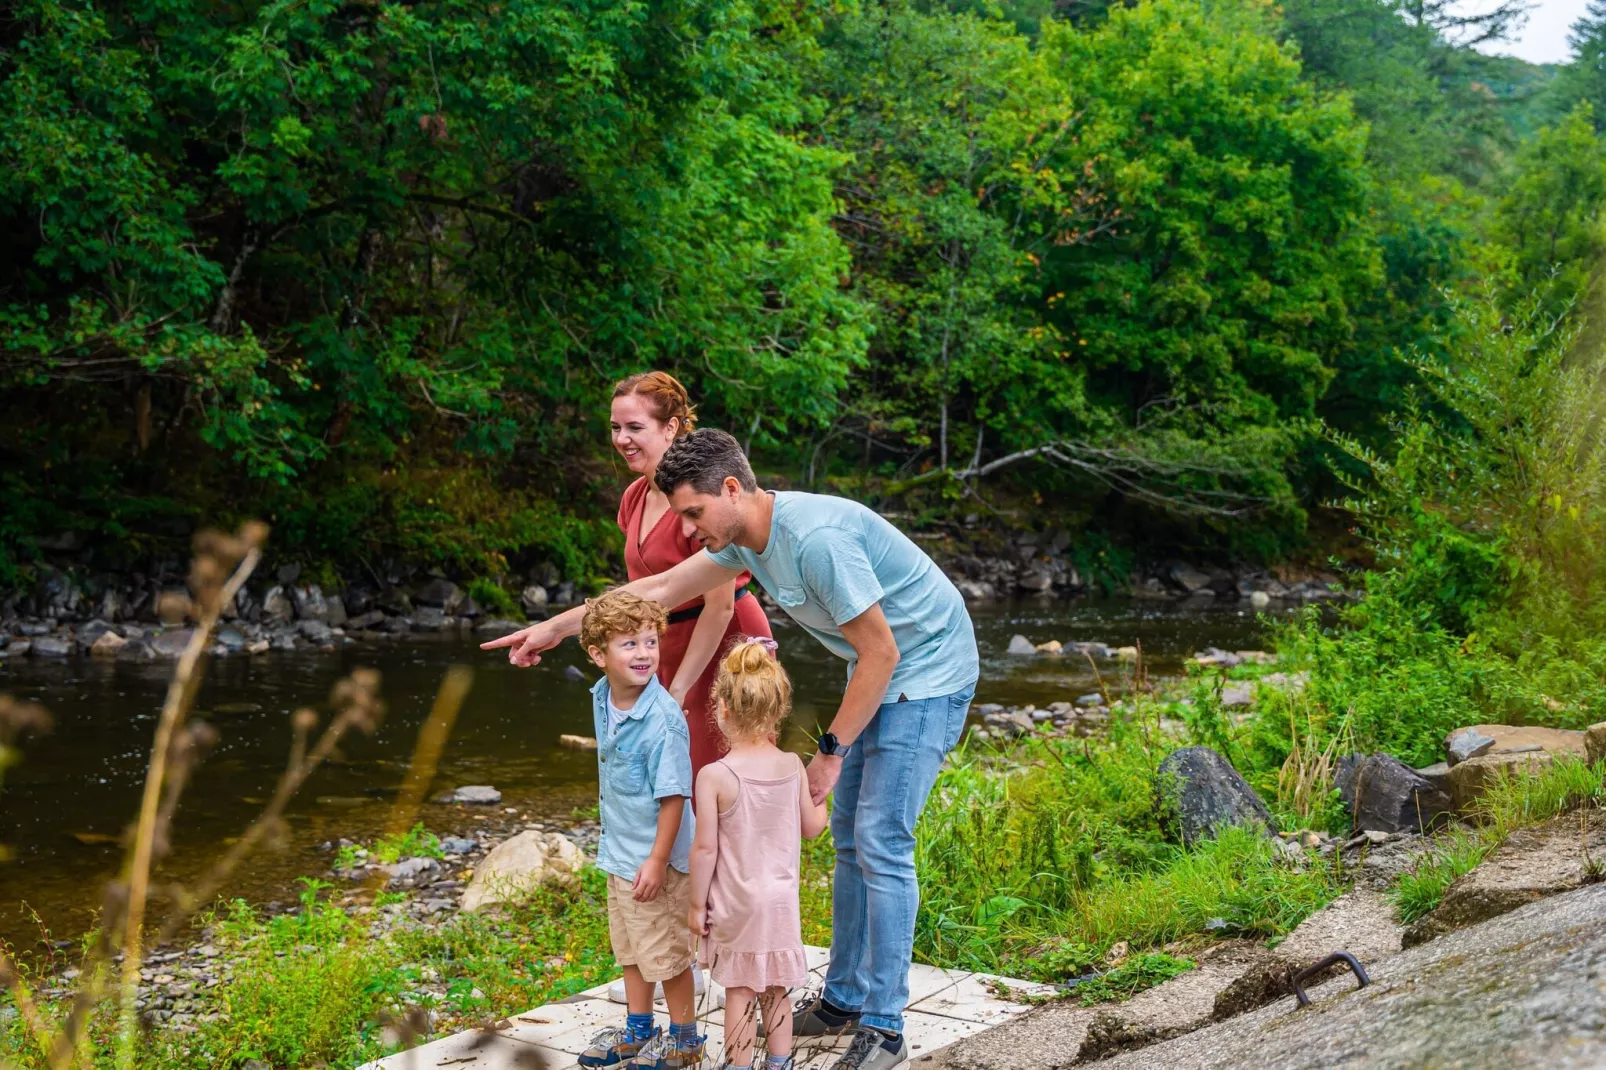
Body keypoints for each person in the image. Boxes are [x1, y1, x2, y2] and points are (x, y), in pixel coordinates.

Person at [485, 429, 980, 1070]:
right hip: (885, 670)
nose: (689, 531)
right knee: (852, 841)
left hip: (929, 672)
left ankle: (884, 1025)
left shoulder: (815, 541)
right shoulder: (745, 539)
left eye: (694, 513)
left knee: (882, 840)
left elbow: (882, 651)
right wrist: (553, 627)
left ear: (730, 489)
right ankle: (843, 1000)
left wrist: (831, 749)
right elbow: (656, 592)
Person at [609, 372, 773, 781]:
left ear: (672, 428)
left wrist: (678, 688)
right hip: (665, 643)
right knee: (665, 775)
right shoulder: (633, 496)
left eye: (634, 427)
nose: (622, 438)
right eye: (615, 427)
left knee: (717, 771)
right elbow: (645, 590)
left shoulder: (701, 501)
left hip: (723, 639)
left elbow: (717, 609)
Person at [573, 589, 705, 1070]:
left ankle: (687, 1038)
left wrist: (655, 859)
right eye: (629, 644)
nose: (644, 653)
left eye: (650, 642)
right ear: (597, 655)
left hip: (657, 860)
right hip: (620, 852)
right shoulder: (604, 696)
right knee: (630, 950)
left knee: (666, 956)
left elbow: (674, 797)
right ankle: (638, 1028)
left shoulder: (663, 722)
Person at [688, 640, 828, 1070]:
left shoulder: (715, 775)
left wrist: (696, 905)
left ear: (722, 710)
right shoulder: (790, 766)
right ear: (778, 710)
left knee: (741, 992)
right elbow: (812, 827)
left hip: (737, 906)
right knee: (777, 989)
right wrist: (823, 795)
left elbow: (705, 848)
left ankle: (738, 1065)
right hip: (781, 905)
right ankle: (781, 1063)